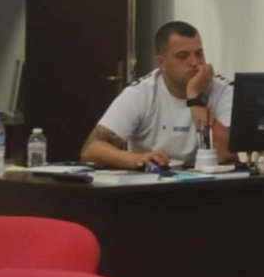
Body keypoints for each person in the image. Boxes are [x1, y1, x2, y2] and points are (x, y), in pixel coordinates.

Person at [81, 20, 232, 169]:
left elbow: (225, 155)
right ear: (161, 62)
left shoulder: (223, 90)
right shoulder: (140, 93)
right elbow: (91, 149)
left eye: (199, 54)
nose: (195, 62)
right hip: (154, 179)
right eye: (182, 56)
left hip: (207, 180)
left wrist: (194, 96)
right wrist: (136, 159)